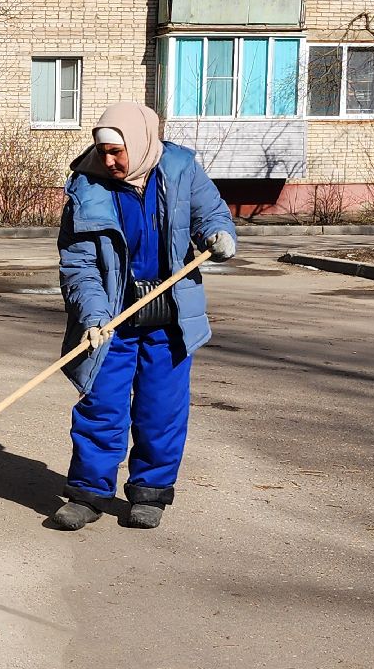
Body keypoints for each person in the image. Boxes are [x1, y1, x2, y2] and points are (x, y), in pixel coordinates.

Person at [52, 102, 237, 531]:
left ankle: (150, 493)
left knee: (162, 409)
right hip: (112, 315)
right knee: (101, 406)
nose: (110, 161)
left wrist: (219, 234)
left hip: (170, 315)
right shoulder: (86, 186)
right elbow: (78, 262)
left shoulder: (180, 168)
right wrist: (94, 317)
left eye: (118, 151)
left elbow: (210, 212)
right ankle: (89, 493)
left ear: (139, 141)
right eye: (104, 152)